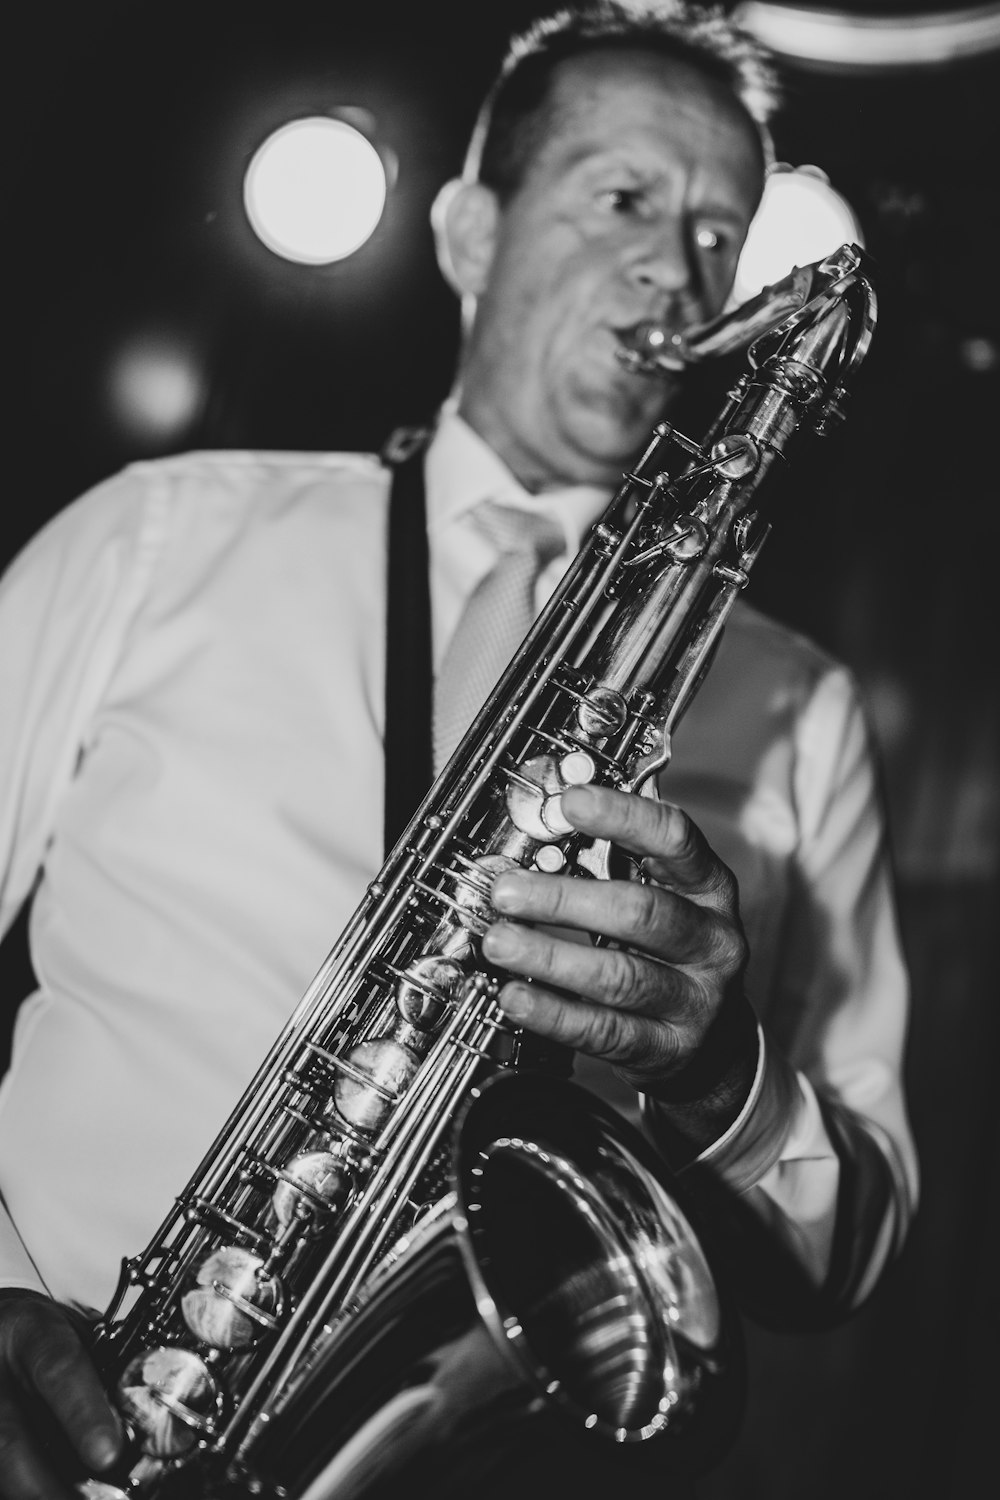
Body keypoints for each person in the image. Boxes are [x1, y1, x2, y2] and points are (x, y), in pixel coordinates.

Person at [0, 2, 917, 1496]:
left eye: (719, 234)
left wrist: (722, 1068)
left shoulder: (798, 700)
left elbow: (849, 1241)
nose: (675, 267)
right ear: (469, 232)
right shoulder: (159, 535)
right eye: (622, 195)